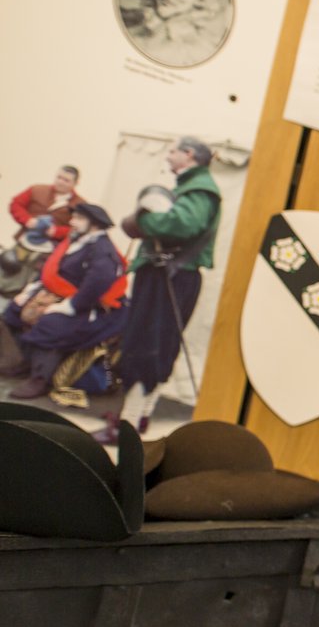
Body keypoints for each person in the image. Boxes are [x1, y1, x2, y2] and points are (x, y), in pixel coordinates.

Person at [94, 136, 221, 444]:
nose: (169, 156)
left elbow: (180, 226)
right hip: (167, 276)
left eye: (174, 151)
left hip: (170, 277)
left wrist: (141, 217)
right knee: (155, 346)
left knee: (148, 348)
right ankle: (138, 416)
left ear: (189, 155)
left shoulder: (200, 189)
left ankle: (126, 425)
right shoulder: (193, 186)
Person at [0, 203, 128, 400]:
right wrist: (29, 291)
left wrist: (67, 307)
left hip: (96, 308)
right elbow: (51, 270)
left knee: (52, 324)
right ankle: (26, 362)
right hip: (63, 294)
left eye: (77, 218)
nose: (71, 222)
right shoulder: (76, 240)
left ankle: (40, 379)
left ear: (93, 224)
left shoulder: (102, 251)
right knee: (13, 311)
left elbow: (96, 286)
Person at [2, 166, 84, 296]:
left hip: (48, 251)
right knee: (8, 268)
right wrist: (28, 220)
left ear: (75, 183)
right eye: (59, 177)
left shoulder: (80, 205)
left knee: (30, 284)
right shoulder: (37, 190)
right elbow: (15, 204)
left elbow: (78, 229)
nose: (61, 182)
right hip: (24, 242)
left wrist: (56, 231)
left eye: (66, 180)